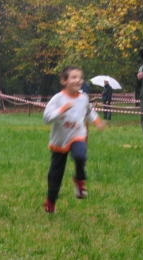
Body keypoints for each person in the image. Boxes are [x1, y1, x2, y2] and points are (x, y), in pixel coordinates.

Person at [42, 66, 106, 213]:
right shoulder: (58, 99)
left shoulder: (83, 98)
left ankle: (79, 179)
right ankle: (50, 202)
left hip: (78, 134)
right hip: (60, 140)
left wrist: (97, 122)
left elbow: (89, 112)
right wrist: (62, 109)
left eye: (80, 77)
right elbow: (46, 118)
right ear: (64, 81)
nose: (79, 80)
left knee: (79, 155)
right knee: (55, 174)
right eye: (74, 77)